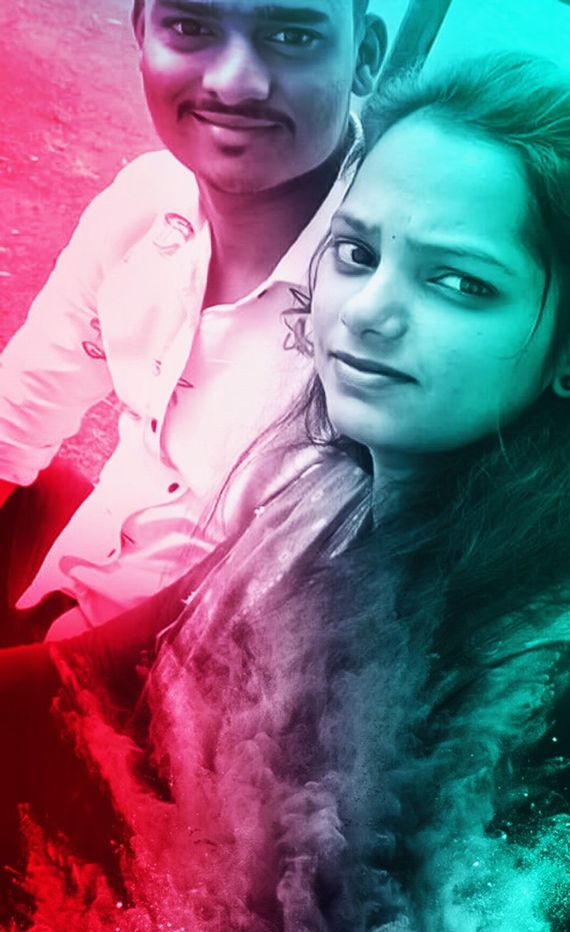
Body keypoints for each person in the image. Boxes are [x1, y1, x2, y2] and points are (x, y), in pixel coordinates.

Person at [2, 52, 570, 932]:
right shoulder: (332, 473)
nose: (370, 312)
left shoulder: (546, 677)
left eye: (460, 282)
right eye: (356, 253)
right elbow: (124, 667)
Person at [0, 0, 386, 643]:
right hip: (70, 603)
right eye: (190, 26)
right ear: (141, 31)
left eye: (292, 35)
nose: (234, 82)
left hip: (210, 681)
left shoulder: (391, 299)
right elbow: (18, 415)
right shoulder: (148, 201)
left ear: (364, 56)